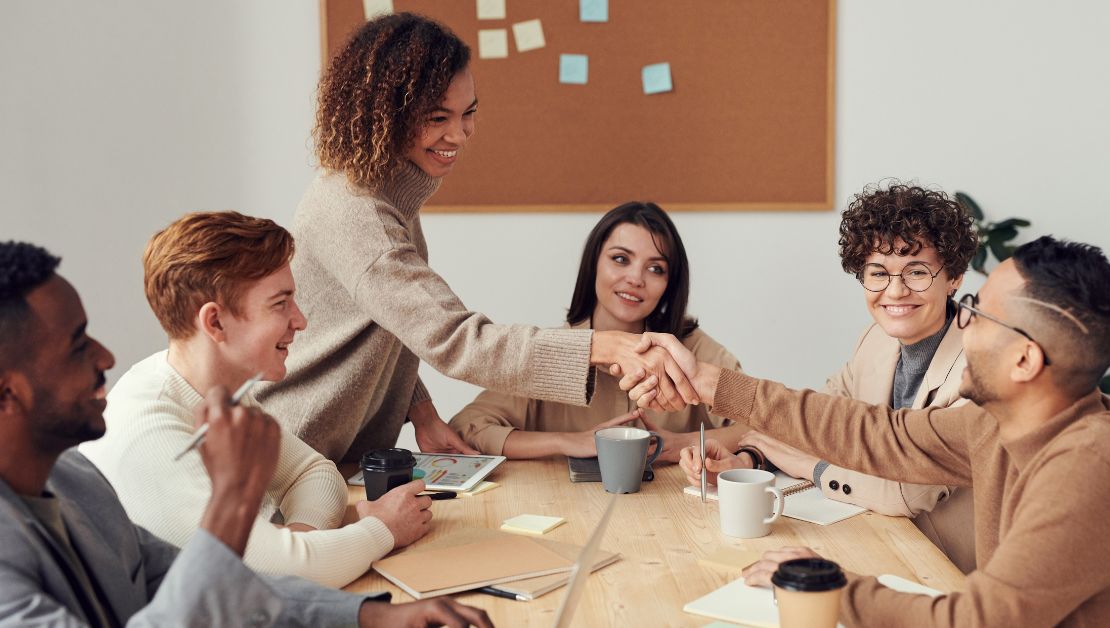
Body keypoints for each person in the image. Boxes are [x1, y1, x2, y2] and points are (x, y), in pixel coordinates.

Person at [625, 236, 1110, 626]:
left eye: (974, 312)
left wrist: (831, 587)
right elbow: (877, 434)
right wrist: (711, 383)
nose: (960, 322)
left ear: (1024, 360)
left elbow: (977, 621)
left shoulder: (1092, 467)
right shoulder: (1002, 423)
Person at [257, 13, 696, 466]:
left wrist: (421, 411)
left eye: (468, 113)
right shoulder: (358, 213)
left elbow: (393, 324)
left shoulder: (386, 195)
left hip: (338, 458)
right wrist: (598, 347)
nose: (459, 134)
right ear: (386, 116)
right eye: (437, 117)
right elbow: (455, 338)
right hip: (295, 455)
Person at [0, 241, 491, 627]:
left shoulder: (74, 478)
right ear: (7, 394)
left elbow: (210, 584)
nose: (106, 357)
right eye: (76, 345)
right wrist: (234, 500)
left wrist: (368, 615)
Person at [80, 212, 431, 588]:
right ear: (214, 323)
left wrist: (298, 544)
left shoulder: (217, 391)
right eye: (280, 304)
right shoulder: (150, 431)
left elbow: (314, 473)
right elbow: (267, 576)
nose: (300, 321)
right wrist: (382, 529)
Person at [679, 183, 980, 571]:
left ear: (953, 276)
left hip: (951, 571)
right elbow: (815, 420)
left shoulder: (978, 367)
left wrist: (813, 468)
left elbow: (906, 493)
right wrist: (748, 458)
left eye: (917, 272)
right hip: (880, 544)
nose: (895, 290)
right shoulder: (875, 340)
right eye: (878, 273)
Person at [449, 202, 742, 462]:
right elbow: (467, 428)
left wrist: (687, 443)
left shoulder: (694, 350)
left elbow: (767, 425)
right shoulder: (551, 352)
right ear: (594, 265)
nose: (635, 278)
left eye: (655, 269)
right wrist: (569, 441)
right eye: (620, 259)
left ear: (670, 284)